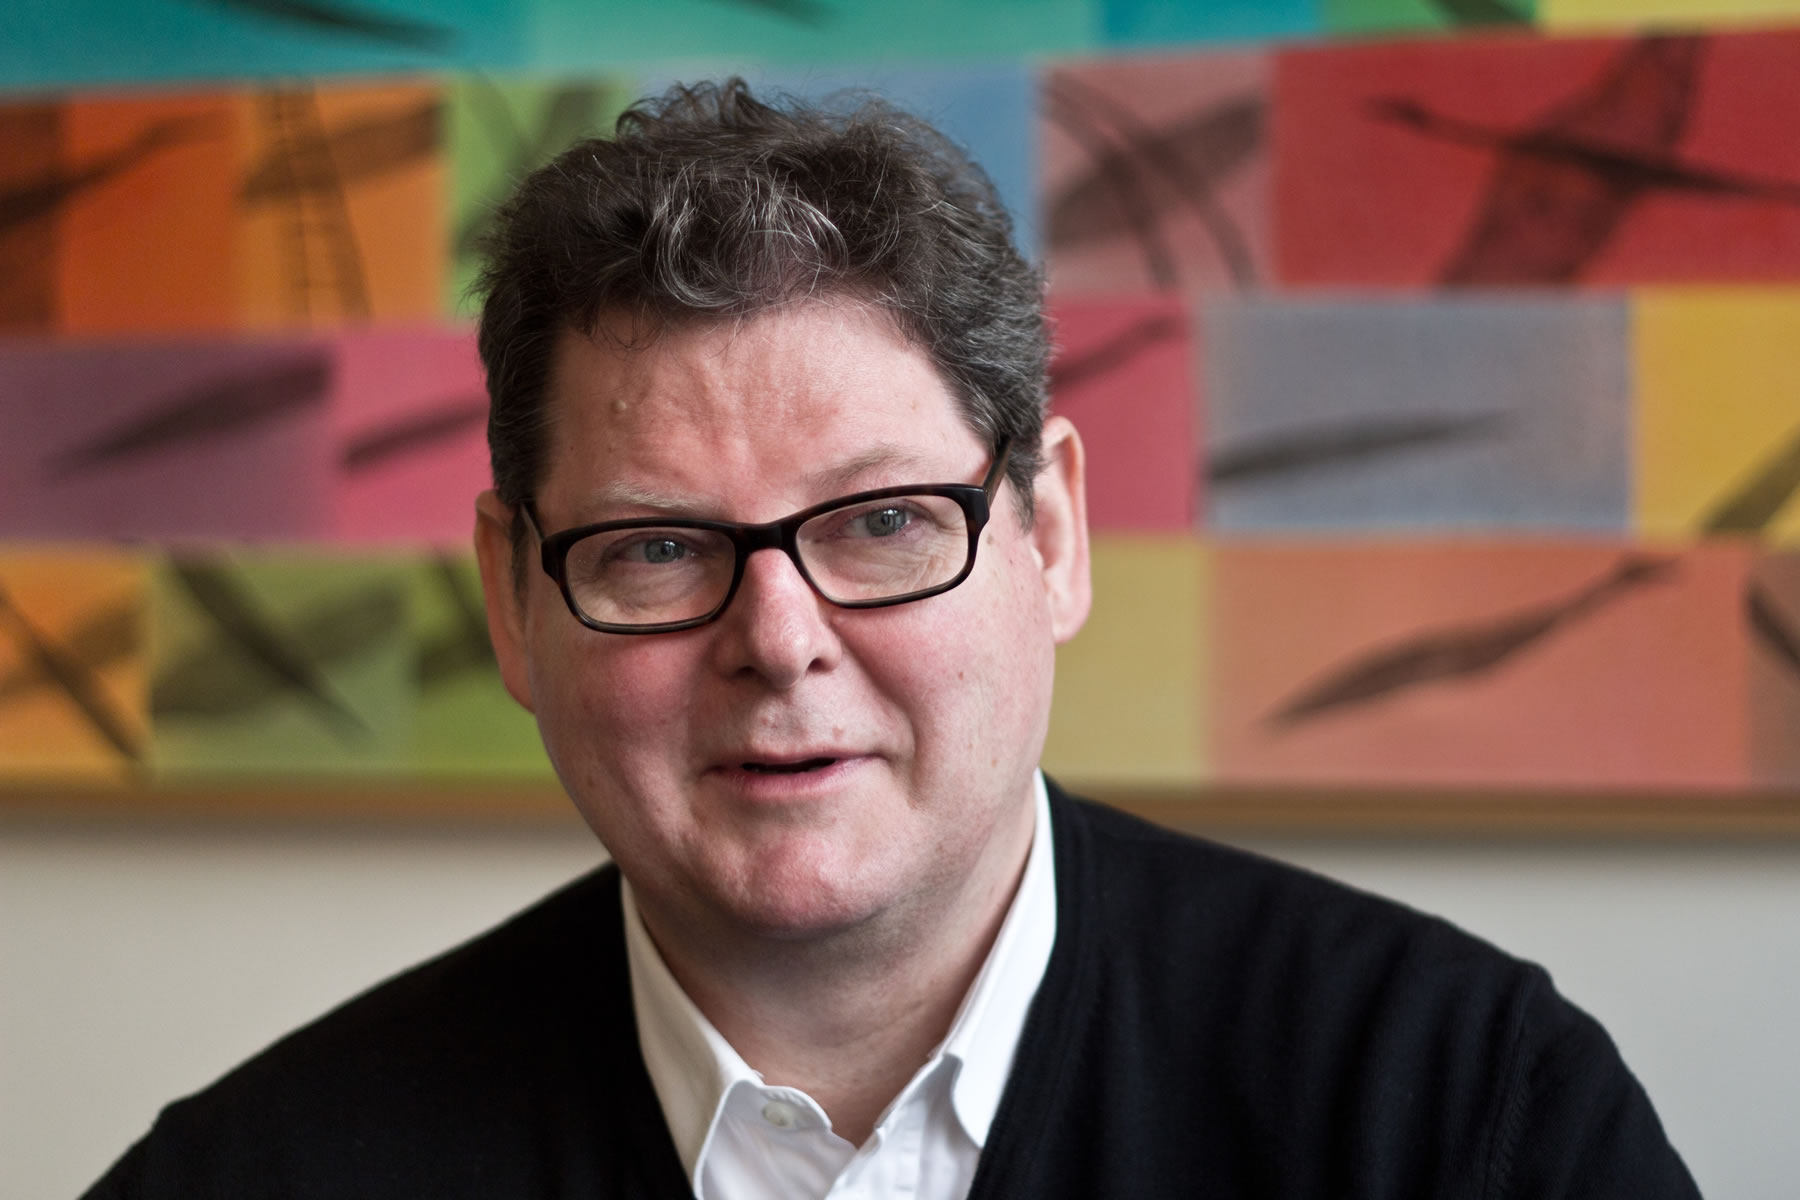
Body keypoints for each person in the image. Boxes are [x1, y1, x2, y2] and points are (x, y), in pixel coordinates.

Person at [82, 79, 1699, 1199]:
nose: (779, 642)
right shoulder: (250, 1179)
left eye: (880, 524)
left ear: (1049, 537)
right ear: (514, 603)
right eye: (658, 548)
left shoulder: (1465, 1119)